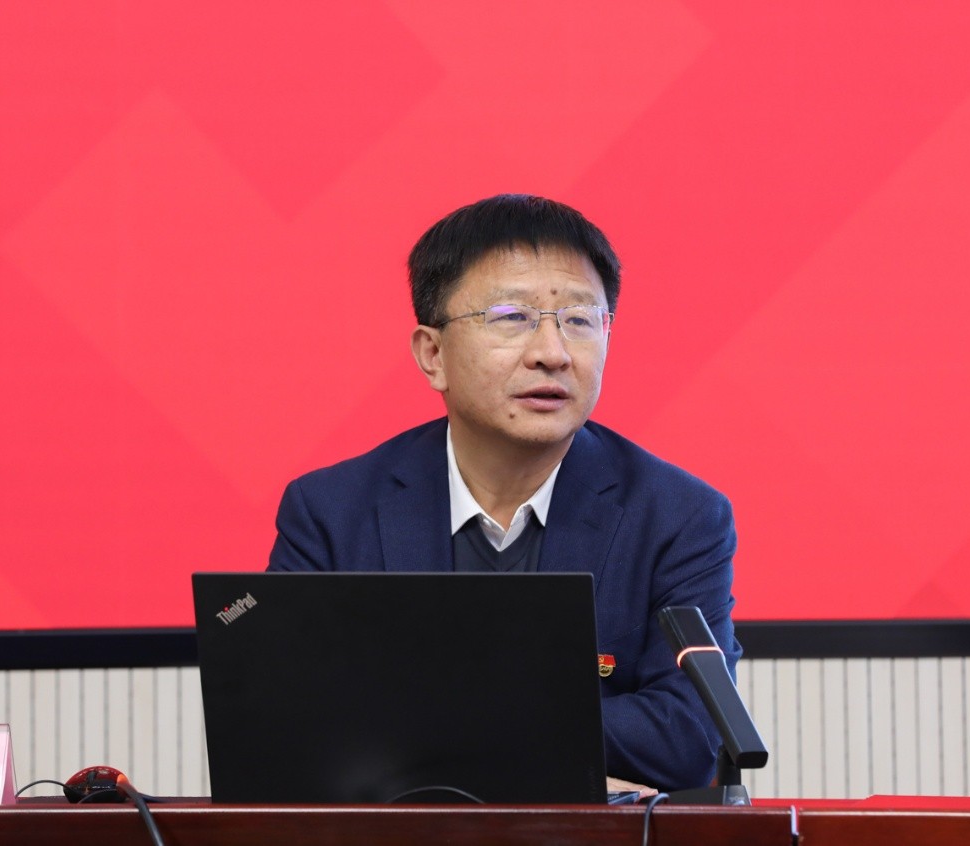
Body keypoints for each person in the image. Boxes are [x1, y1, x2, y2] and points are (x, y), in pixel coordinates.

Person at [268, 194, 740, 794]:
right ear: (433, 354)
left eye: (579, 320)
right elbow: (285, 723)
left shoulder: (678, 516)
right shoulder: (331, 513)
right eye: (512, 316)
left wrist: (428, 731)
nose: (552, 353)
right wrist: (537, 738)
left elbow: (688, 735)